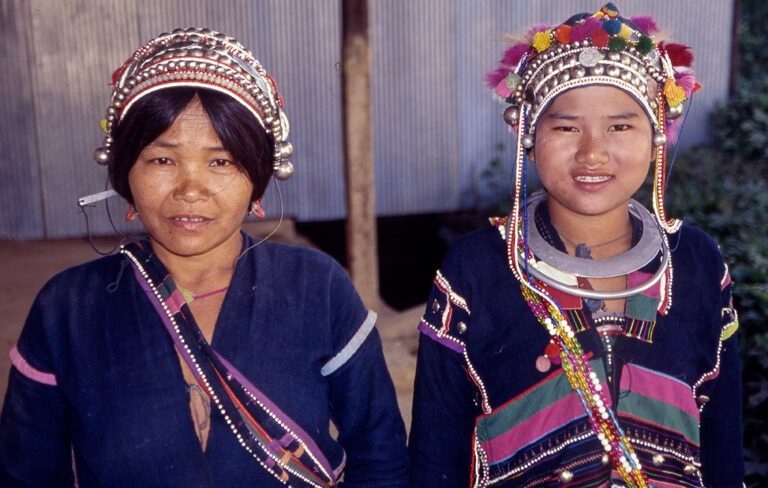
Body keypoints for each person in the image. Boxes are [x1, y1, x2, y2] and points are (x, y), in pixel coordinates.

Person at [0, 28, 408, 487]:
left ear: (257, 177)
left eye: (221, 162)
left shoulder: (317, 287)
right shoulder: (67, 308)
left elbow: (381, 454)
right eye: (162, 160)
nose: (190, 189)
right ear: (124, 173)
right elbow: (27, 473)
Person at [409, 4, 743, 487]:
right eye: (566, 127)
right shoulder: (478, 268)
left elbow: (723, 444)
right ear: (528, 133)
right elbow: (435, 453)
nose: (592, 151)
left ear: (656, 137)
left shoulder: (697, 264)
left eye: (620, 126)